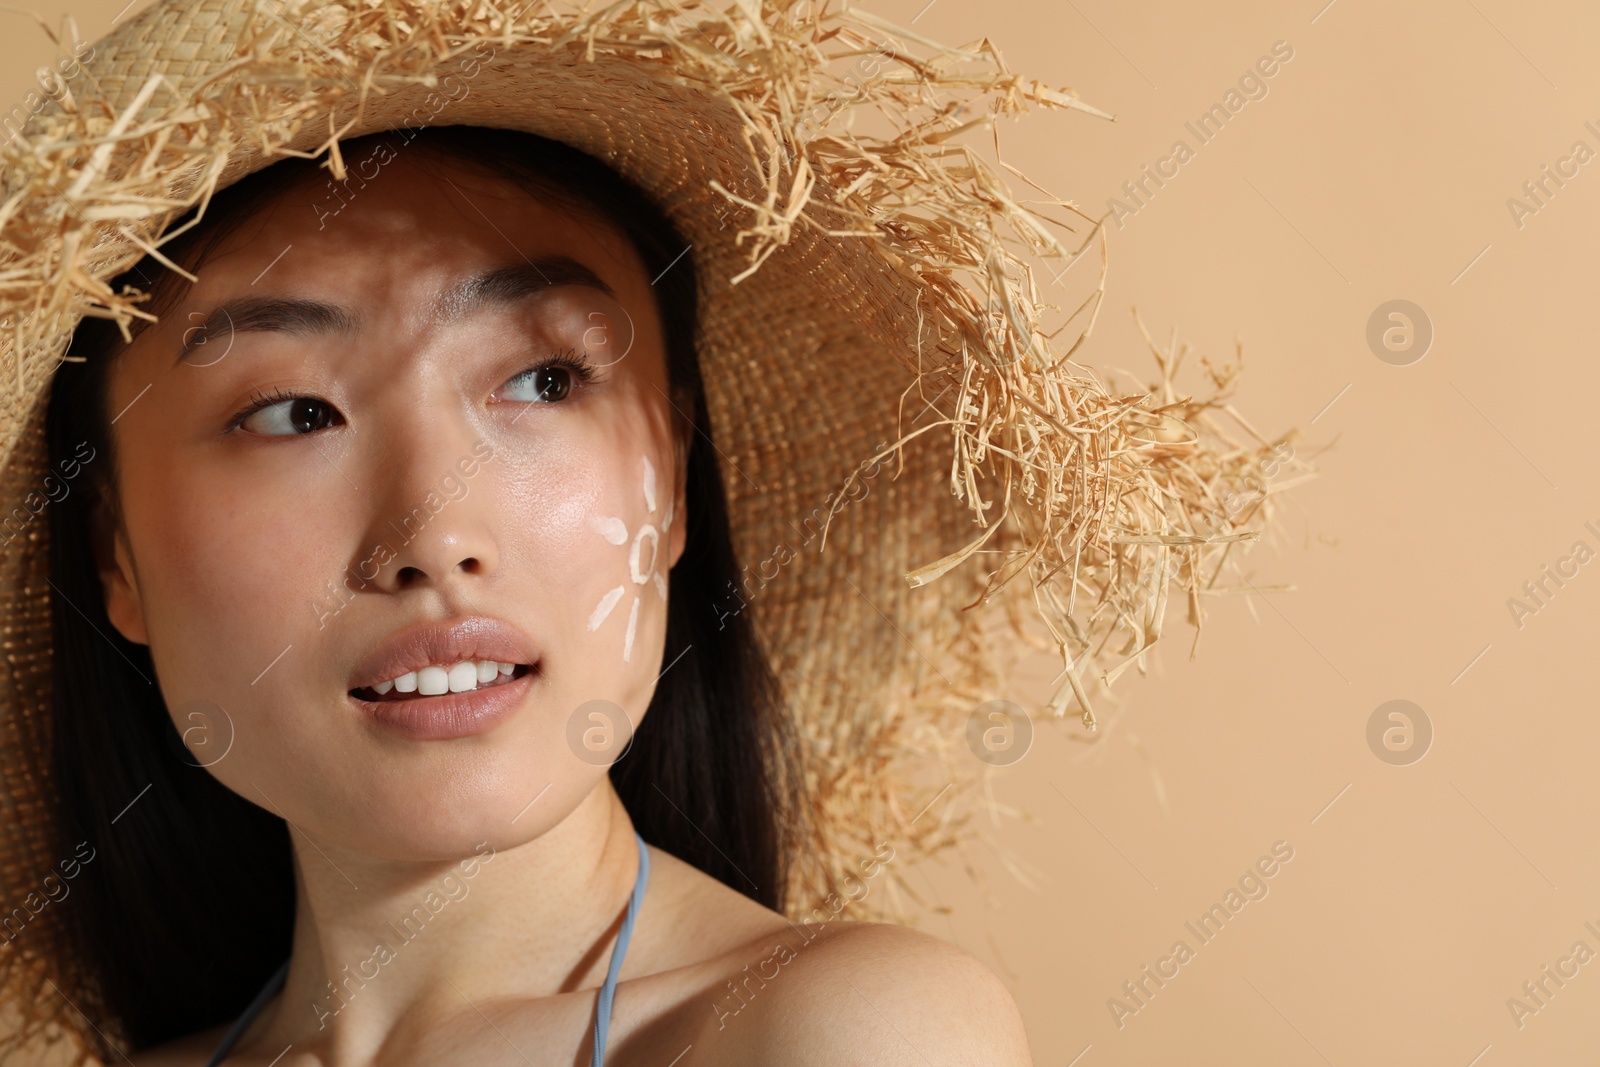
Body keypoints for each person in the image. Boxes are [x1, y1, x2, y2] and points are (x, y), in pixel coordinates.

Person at [0, 0, 1283, 1063]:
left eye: (544, 381)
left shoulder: (839, 1032)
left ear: (670, 472)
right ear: (111, 549)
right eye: (291, 411)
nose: (431, 536)